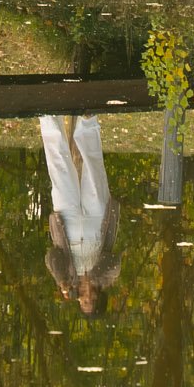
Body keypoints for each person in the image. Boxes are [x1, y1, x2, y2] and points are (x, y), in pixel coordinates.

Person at [40, 111, 122, 314]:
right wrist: (93, 280)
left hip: (68, 222)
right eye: (89, 303)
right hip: (97, 221)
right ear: (98, 300)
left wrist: (61, 280)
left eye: (83, 304)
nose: (84, 300)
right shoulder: (107, 279)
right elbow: (113, 261)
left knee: (59, 169)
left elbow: (51, 256)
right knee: (94, 170)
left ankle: (49, 117)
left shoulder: (69, 279)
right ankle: (88, 120)